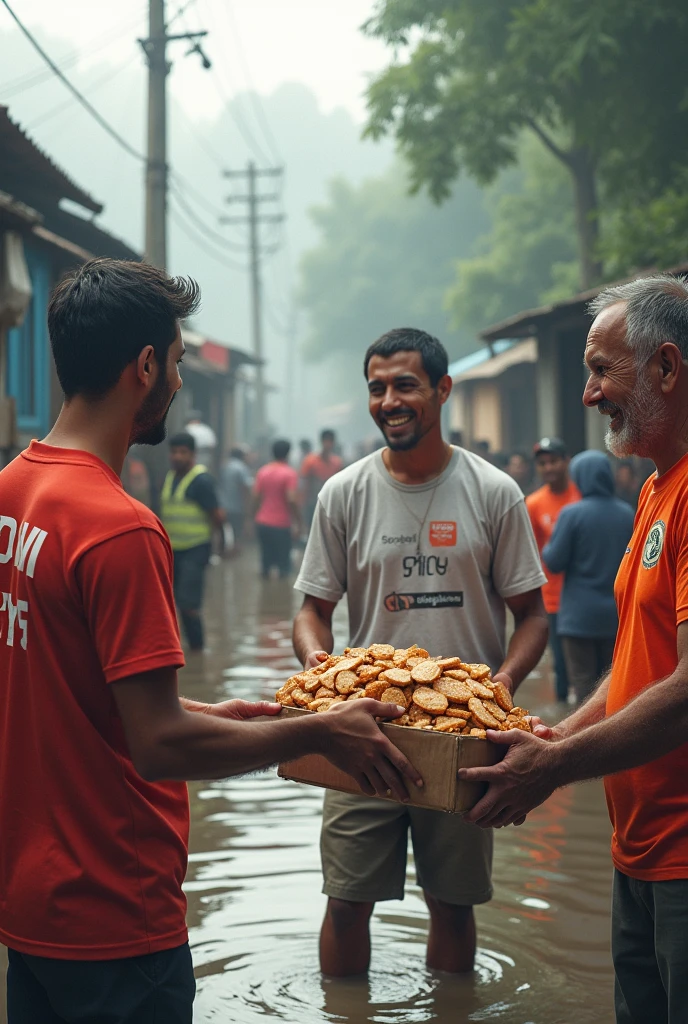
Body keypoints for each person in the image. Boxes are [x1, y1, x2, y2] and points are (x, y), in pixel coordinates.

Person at [0, 258, 421, 1024]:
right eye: (181, 362)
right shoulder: (118, 526)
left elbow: (73, 695)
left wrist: (222, 714)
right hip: (114, 910)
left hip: (29, 905)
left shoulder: (12, 492)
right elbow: (158, 747)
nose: (182, 384)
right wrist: (322, 730)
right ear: (147, 365)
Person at [458, 275, 688, 1024]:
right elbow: (633, 671)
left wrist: (553, 766)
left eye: (601, 370)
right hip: (639, 846)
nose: (589, 395)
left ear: (665, 367)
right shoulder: (655, 491)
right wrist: (551, 736)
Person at [292, 326, 548, 977]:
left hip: (462, 743)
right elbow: (311, 612)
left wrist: (498, 690)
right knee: (346, 901)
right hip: (360, 733)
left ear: (442, 389)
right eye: (376, 387)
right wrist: (322, 671)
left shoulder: (494, 493)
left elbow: (532, 618)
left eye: (405, 384)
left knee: (453, 905)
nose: (389, 400)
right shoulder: (343, 494)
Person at [542, 450, 634, 703]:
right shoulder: (628, 513)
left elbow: (554, 561)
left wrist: (547, 545)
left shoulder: (572, 514)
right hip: (616, 616)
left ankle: (584, 739)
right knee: (613, 685)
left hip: (578, 618)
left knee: (583, 686)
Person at [526, 438, 581, 701]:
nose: (548, 468)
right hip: (552, 597)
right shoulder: (534, 504)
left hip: (583, 593)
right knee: (560, 663)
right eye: (543, 463)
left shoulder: (581, 496)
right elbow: (532, 553)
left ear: (566, 461)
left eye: (554, 461)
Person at [161, 432, 223, 652]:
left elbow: (217, 515)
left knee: (189, 604)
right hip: (173, 550)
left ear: (192, 455)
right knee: (172, 602)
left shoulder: (201, 481)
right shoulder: (169, 477)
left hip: (196, 549)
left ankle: (197, 649)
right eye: (174, 452)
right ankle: (182, 649)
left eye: (183, 452)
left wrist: (220, 546)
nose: (177, 456)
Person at [253, 438, 301, 579]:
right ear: (288, 454)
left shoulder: (263, 471)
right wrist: (299, 521)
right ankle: (282, 599)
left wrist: (250, 519)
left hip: (263, 523)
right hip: (281, 525)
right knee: (284, 567)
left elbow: (256, 497)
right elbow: (291, 499)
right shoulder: (289, 473)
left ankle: (264, 599)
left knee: (265, 564)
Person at [300, 428, 343, 530]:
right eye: (326, 441)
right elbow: (304, 483)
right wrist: (302, 503)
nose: (328, 444)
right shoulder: (310, 461)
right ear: (321, 441)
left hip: (331, 504)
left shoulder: (337, 462)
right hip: (312, 503)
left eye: (330, 441)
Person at [219, 445, 253, 554]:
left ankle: (226, 550)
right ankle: (234, 550)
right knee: (237, 530)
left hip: (224, 504)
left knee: (226, 530)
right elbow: (245, 488)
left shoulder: (225, 466)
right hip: (237, 505)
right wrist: (248, 506)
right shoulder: (242, 468)